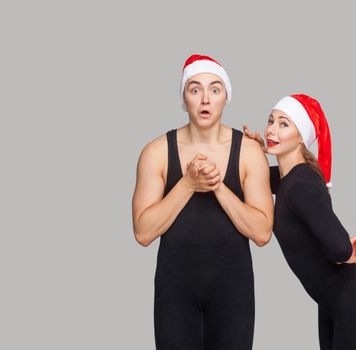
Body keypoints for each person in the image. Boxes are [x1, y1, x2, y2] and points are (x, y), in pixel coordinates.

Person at [132, 54, 274, 350]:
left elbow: (262, 233)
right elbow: (143, 232)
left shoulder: (248, 152)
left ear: (226, 97)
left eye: (215, 90)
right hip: (175, 292)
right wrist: (187, 184)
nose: (205, 99)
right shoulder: (156, 152)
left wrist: (217, 186)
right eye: (195, 89)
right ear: (184, 98)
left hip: (233, 292)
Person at [243, 94, 356, 350]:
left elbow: (340, 248)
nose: (271, 129)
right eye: (271, 121)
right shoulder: (294, 178)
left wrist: (346, 251)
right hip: (335, 301)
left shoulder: (300, 185)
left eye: (284, 124)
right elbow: (259, 176)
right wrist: (257, 149)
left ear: (301, 137)